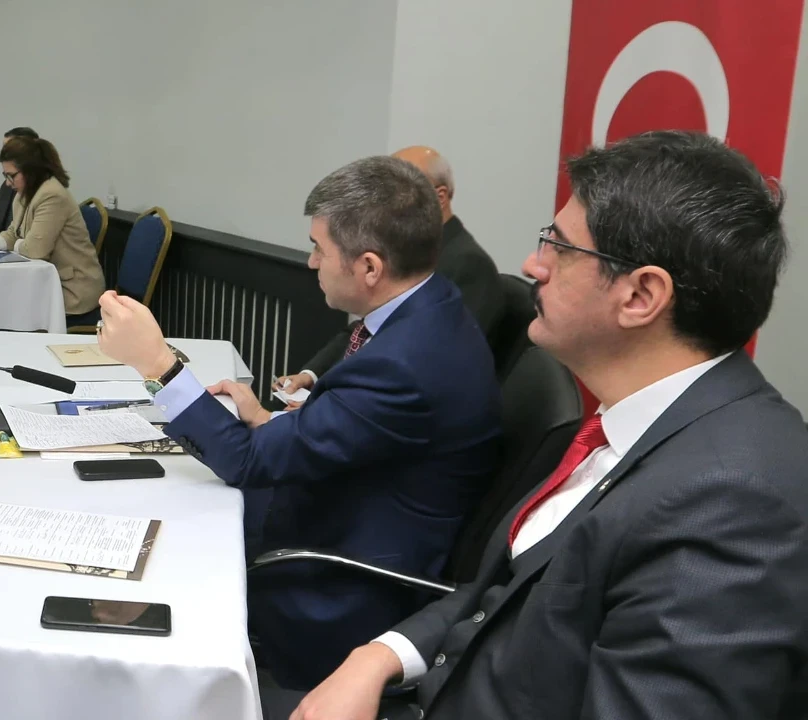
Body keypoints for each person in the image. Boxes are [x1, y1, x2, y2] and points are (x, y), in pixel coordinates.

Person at [292, 131, 808, 720]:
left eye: (558, 247)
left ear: (640, 296)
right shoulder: (637, 423)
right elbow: (509, 590)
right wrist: (380, 656)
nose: (532, 265)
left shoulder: (735, 500)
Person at [95, 156, 502, 690]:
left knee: (135, 554)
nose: (310, 263)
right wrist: (268, 419)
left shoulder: (406, 363)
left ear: (370, 267)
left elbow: (247, 461)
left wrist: (157, 364)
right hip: (340, 511)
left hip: (333, 584)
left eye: (319, 249)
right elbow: (359, 431)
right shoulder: (432, 306)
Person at [276, 147, 503, 407]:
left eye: (402, 184)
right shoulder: (408, 259)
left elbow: (426, 363)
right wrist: (314, 375)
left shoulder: (466, 264)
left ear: (439, 197)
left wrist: (322, 407)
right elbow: (365, 329)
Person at [0, 136, 104, 325]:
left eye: (11, 175)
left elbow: (35, 250)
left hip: (73, 293)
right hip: (45, 286)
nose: (8, 183)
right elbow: (13, 233)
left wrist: (18, 243)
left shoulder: (52, 195)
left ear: (30, 171)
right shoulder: (23, 194)